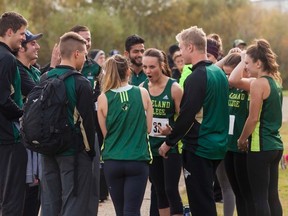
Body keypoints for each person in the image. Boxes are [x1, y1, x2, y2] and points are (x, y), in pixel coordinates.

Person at [158, 26, 229, 216]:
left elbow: (187, 115)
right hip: (217, 144)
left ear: (190, 47)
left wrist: (169, 142)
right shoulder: (219, 72)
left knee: (200, 203)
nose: (179, 52)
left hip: (200, 147)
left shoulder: (196, 76)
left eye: (181, 47)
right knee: (206, 198)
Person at [40, 31, 96, 216]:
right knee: (73, 200)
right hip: (72, 152)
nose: (85, 60)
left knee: (50, 200)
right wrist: (90, 153)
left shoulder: (45, 78)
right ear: (77, 54)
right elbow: (87, 123)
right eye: (85, 55)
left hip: (47, 149)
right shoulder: (80, 82)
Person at [97, 54, 153, 216]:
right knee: (132, 210)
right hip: (137, 159)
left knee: (121, 211)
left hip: (112, 160)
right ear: (128, 71)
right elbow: (148, 128)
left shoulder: (103, 98)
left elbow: (106, 133)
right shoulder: (142, 93)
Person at [236, 39, 283, 216]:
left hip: (260, 146)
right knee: (272, 196)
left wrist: (241, 140)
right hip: (275, 145)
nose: (245, 67)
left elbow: (253, 118)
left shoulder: (258, 84)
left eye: (247, 63)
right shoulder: (276, 82)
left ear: (258, 63)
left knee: (259, 197)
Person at [141, 48, 183, 216]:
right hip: (151, 146)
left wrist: (171, 132)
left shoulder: (174, 88)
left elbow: (184, 119)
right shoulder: (142, 88)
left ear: (162, 65)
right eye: (145, 67)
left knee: (171, 189)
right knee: (158, 190)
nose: (148, 71)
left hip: (170, 146)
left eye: (152, 67)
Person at [216, 50, 255, 216]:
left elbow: (236, 79)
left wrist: (243, 59)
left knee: (245, 192)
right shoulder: (224, 87)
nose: (227, 78)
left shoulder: (247, 86)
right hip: (225, 144)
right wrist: (226, 58)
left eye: (229, 74)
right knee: (229, 188)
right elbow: (210, 71)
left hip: (241, 145)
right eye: (224, 74)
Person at [70, 25, 102, 210]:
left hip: (91, 129)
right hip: (67, 132)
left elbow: (102, 94)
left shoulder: (95, 68)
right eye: (83, 39)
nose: (87, 43)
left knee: (92, 178)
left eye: (89, 39)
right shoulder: (61, 64)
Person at [0, 11, 28, 216]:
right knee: (11, 198)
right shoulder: (7, 59)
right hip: (9, 137)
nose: (24, 38)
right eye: (21, 33)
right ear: (9, 31)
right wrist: (23, 114)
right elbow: (2, 98)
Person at [16, 29, 43, 216]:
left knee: (34, 192)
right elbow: (39, 94)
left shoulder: (33, 70)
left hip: (34, 139)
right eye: (32, 43)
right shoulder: (16, 69)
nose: (37, 46)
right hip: (18, 139)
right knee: (24, 193)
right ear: (21, 48)